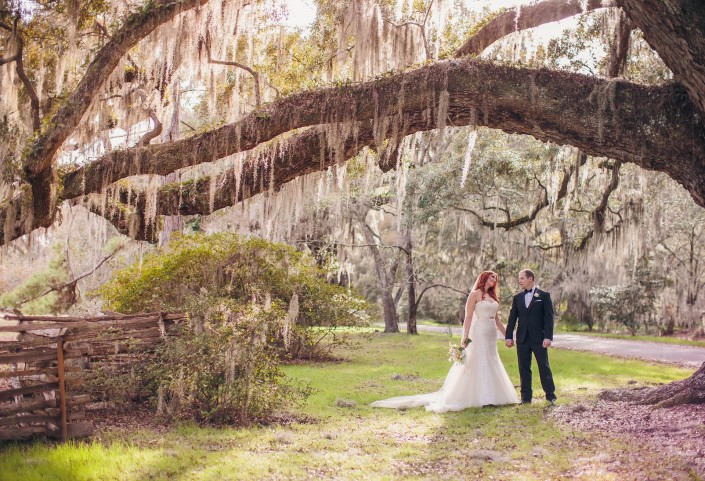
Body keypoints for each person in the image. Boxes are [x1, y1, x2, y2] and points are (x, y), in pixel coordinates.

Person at [371, 271, 519, 412]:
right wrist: (465, 338)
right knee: (479, 360)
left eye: (495, 278)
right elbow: (468, 317)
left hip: (491, 333)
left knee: (492, 359)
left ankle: (495, 395)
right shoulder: (475, 295)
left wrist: (507, 336)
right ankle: (482, 397)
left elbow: (497, 319)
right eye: (491, 277)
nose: (494, 280)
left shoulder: (493, 297)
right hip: (479, 331)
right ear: (484, 278)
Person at [505, 269, 557, 405]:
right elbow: (512, 319)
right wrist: (508, 336)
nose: (519, 281)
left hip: (539, 338)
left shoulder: (544, 296)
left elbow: (549, 318)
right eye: (519, 278)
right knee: (523, 368)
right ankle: (526, 397)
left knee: (543, 366)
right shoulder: (517, 298)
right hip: (522, 338)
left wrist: (548, 337)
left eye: (521, 278)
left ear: (530, 279)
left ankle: (550, 395)